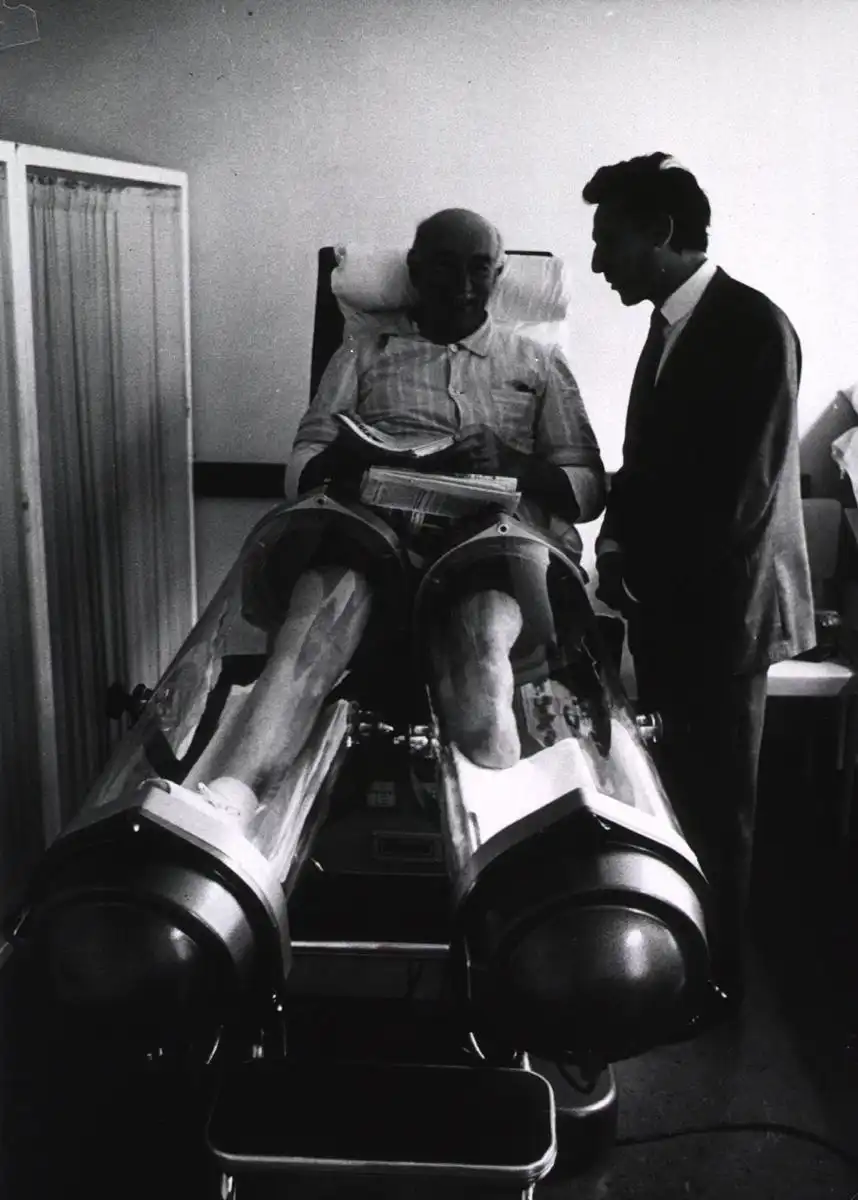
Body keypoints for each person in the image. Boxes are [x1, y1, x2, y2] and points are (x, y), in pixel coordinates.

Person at [583, 153, 815, 1019]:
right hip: (678, 608)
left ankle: (717, 991)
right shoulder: (671, 328)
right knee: (678, 796)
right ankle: (682, 972)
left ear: (662, 232)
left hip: (725, 615)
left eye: (610, 240)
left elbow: (741, 501)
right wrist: (615, 548)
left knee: (719, 811)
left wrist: (643, 586)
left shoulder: (754, 327)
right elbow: (646, 466)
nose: (598, 262)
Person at [286, 208, 605, 550]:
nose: (462, 286)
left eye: (479, 268)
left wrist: (515, 465)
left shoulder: (541, 360)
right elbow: (298, 475)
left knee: (497, 581)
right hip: (379, 540)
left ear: (497, 275)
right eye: (445, 266)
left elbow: (588, 494)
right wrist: (358, 458)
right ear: (415, 269)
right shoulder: (361, 352)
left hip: (497, 543)